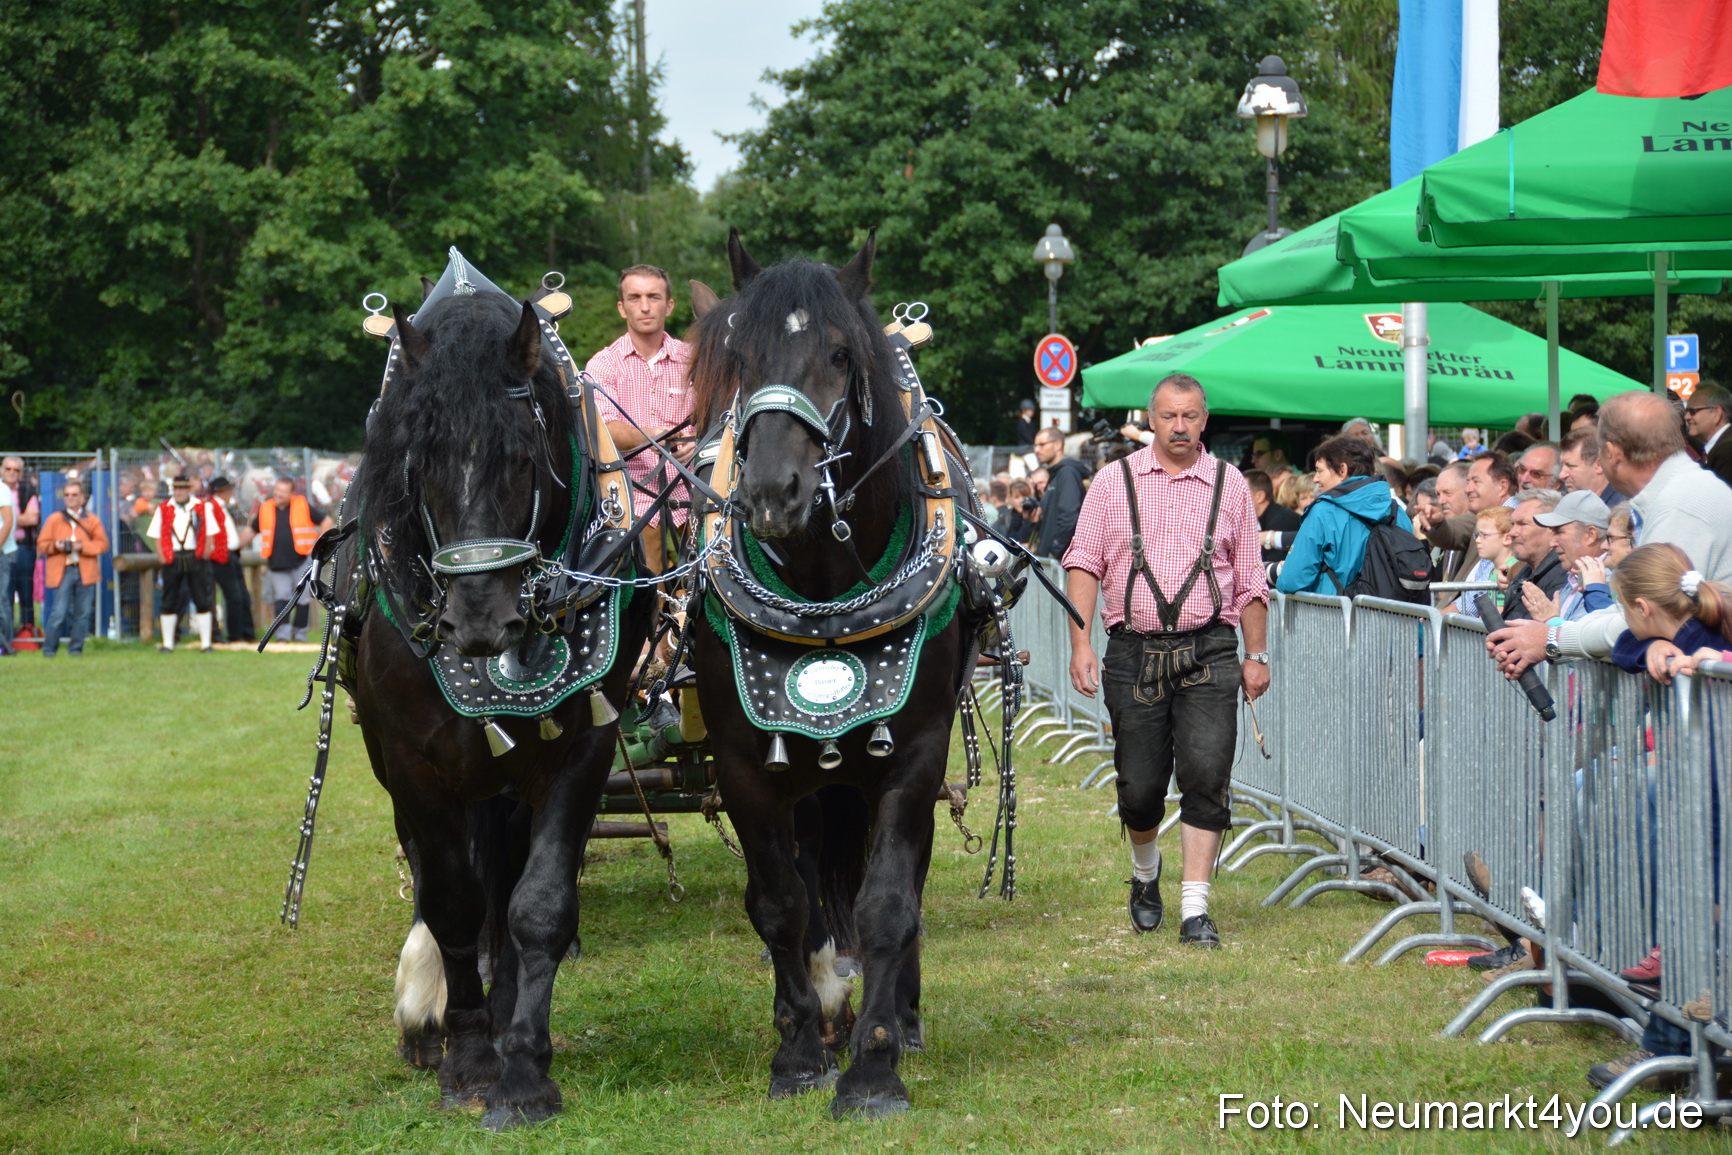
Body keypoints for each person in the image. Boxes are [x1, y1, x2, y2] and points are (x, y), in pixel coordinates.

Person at [1063, 373, 1268, 949]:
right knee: (1141, 789)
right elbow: (1083, 562)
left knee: (1207, 775)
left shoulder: (1229, 484)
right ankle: (1146, 873)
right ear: (1151, 419)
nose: (1180, 427)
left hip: (1210, 648)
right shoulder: (1113, 481)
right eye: (1170, 416)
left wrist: (1257, 655)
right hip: (1133, 652)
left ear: (1206, 420)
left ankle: (1195, 908)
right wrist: (1081, 643)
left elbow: (1250, 578)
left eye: (1192, 416)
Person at [1488, 391, 1732, 678]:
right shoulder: (1677, 495)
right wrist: (1557, 633)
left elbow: (1651, 614)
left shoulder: (1682, 504)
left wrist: (1553, 639)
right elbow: (1631, 612)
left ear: (1612, 453)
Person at [585, 264, 694, 573]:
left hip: (695, 497)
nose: (645, 306)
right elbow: (602, 430)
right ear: (622, 308)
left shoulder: (694, 361)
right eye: (634, 298)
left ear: (669, 306)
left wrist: (697, 442)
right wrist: (658, 434)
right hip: (632, 503)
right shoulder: (603, 365)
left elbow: (718, 419)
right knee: (650, 604)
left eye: (654, 297)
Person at [1274, 435, 1412, 595]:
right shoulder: (1396, 511)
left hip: (1338, 616)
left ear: (1342, 470)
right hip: (1397, 616)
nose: (1316, 479)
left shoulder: (1322, 512)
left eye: (1319, 471)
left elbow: (1292, 580)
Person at [147, 474, 222, 652]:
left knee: (202, 598)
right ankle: (168, 643)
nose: (179, 492)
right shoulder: (163, 508)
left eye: (183, 489)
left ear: (189, 490)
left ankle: (206, 643)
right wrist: (162, 556)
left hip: (195, 556)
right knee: (169, 598)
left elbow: (210, 532)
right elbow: (157, 535)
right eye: (176, 489)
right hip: (172, 557)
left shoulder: (202, 507)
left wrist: (205, 552)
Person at [249, 476, 328, 643]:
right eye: (277, 490)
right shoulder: (266, 508)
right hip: (277, 563)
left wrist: (319, 543)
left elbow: (326, 521)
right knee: (282, 598)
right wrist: (235, 546)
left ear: (292, 493)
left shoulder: (302, 505)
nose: (279, 494)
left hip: (302, 560)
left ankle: (300, 634)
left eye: (284, 492)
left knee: (303, 599)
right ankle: (282, 635)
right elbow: (251, 530)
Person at [38, 477, 109, 657]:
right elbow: (41, 544)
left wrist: (82, 547)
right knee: (59, 612)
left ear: (82, 498)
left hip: (85, 569)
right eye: (67, 495)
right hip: (64, 569)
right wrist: (57, 546)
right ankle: (49, 649)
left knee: (83, 613)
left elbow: (102, 545)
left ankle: (76, 649)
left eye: (74, 495)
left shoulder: (92, 520)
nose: (70, 498)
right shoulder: (55, 519)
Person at [1526, 490, 1614, 622]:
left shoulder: (1611, 581)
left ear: (1590, 535)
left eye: (1559, 532)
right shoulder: (1575, 574)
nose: (1552, 543)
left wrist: (1550, 620)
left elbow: (1590, 636)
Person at [1499, 489, 1568, 623]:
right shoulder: (1527, 571)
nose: (1512, 532)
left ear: (1552, 529)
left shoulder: (1562, 576)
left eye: (1523, 524)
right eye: (1512, 524)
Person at [204, 477, 253, 643]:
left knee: (242, 595)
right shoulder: (211, 507)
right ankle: (236, 634)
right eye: (228, 490)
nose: (231, 493)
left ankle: (246, 632)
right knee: (234, 595)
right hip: (221, 555)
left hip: (231, 553)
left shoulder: (222, 507)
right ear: (221, 492)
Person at [1447, 505, 1516, 620]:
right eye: (1477, 535)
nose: (1477, 540)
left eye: (1484, 535)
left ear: (1507, 539)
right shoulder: (1494, 569)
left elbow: (1499, 613)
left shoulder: (1508, 570)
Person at [1032, 427, 1088, 558]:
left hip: (1058, 561)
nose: (1036, 450)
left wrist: (1055, 551)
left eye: (1041, 445)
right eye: (1035, 445)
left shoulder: (1067, 473)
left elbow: (1070, 516)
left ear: (1057, 445)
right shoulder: (1056, 474)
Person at [2, 457, 40, 640]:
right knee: (4, 593)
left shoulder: (28, 491)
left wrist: (7, 518)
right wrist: (19, 518)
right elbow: (25, 518)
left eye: (16, 470)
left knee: (26, 591)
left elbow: (33, 519)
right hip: (3, 548)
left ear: (21, 473)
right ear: (1, 470)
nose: (11, 472)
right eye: (8, 468)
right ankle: (6, 635)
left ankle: (26, 632)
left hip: (24, 548)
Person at [1245, 468, 1300, 566]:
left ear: (1260, 496)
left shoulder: (1283, 520)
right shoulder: (1264, 519)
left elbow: (1275, 567)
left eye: (1242, 493)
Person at [1684, 381, 1732, 487]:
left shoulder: (1727, 451)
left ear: (1717, 413)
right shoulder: (1722, 447)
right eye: (1686, 411)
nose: (1687, 417)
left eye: (1693, 411)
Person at [1558, 427, 1618, 504]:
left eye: (1570, 466)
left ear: (1599, 465)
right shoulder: (1567, 503)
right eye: (1562, 465)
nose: (1561, 475)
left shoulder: (1622, 510)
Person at [0, 466, 14, 655]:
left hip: (3, 551)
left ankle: (4, 645)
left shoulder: (2, 489)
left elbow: (8, 522)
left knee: (1, 600)